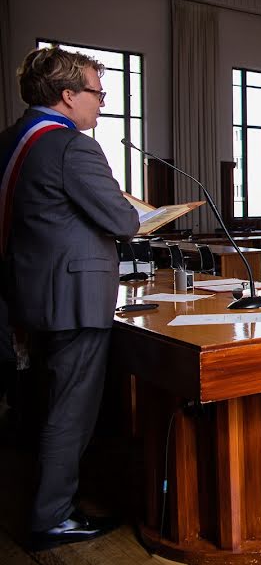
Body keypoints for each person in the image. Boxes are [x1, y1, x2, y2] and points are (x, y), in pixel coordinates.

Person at [0, 47, 140, 549]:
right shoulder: (70, 148)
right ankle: (51, 517)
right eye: (97, 93)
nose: (101, 104)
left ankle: (46, 497)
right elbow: (123, 221)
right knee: (70, 410)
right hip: (73, 299)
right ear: (67, 96)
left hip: (28, 294)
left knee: (42, 401)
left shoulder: (11, 140)